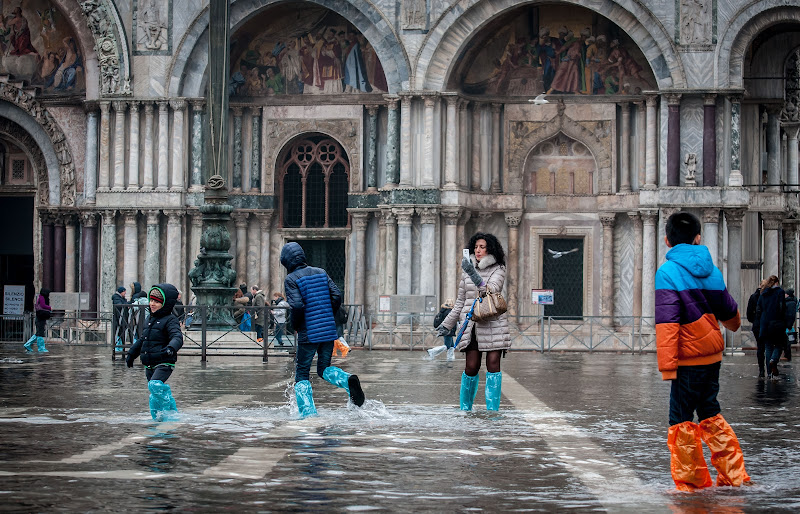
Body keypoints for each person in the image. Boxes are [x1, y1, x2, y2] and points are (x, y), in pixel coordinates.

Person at [655, 211, 749, 491]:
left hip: (687, 358)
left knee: (681, 420)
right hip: (712, 356)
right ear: (698, 238)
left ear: (667, 240)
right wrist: (734, 325)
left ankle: (690, 482)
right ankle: (734, 475)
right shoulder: (712, 269)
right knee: (710, 412)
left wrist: (668, 366)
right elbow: (729, 311)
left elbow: (668, 323)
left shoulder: (667, 272)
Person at [280, 242, 365, 418]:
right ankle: (348, 380)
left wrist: (296, 325)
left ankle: (307, 413)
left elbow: (296, 305)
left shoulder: (291, 279)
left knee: (302, 372)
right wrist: (326, 314)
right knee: (324, 368)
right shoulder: (321, 272)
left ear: (287, 261)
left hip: (308, 331)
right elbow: (336, 295)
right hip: (327, 330)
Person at [436, 233, 511, 411]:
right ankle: (465, 408)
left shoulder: (498, 269)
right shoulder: (466, 271)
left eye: (482, 247)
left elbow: (490, 290)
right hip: (471, 326)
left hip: (493, 324)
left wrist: (472, 273)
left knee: (493, 365)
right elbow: (460, 302)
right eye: (476, 247)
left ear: (490, 249)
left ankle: (492, 411)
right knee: (471, 367)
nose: (478, 250)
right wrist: (446, 324)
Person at [126, 284, 184, 421]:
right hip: (150, 363)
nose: (152, 304)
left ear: (165, 303)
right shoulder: (149, 319)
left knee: (155, 385)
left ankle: (171, 413)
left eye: (157, 301)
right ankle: (157, 418)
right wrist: (131, 354)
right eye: (151, 300)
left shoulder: (171, 320)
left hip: (164, 360)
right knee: (153, 393)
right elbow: (143, 339)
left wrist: (171, 348)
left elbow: (177, 337)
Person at [756, 275, 788, 379]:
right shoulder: (780, 292)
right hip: (777, 323)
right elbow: (782, 308)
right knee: (779, 344)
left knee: (768, 347)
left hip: (765, 324)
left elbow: (759, 309)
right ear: (776, 282)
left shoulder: (763, 294)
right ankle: (773, 360)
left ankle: (769, 373)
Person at [746, 279, 767, 377]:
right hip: (767, 324)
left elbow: (749, 313)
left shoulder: (753, 297)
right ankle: (769, 369)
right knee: (769, 346)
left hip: (757, 325)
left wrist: (754, 321)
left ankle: (761, 370)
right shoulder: (768, 296)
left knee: (760, 347)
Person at [24, 288, 51, 353]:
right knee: (40, 333)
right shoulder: (41, 297)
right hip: (40, 317)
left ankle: (27, 344)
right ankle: (41, 348)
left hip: (40, 317)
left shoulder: (41, 297)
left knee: (38, 332)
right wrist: (49, 307)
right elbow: (43, 305)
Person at [112, 286, 127, 350]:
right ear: (121, 292)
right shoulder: (116, 298)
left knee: (122, 332)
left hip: (122, 318)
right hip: (118, 318)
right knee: (118, 332)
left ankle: (121, 347)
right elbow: (119, 305)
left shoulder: (121, 298)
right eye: (124, 292)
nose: (125, 294)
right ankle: (118, 347)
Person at [784, 288, 796, 362]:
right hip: (785, 324)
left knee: (787, 341)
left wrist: (789, 325)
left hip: (787, 325)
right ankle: (786, 355)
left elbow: (791, 315)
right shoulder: (787, 302)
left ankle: (787, 355)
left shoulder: (791, 303)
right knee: (786, 341)